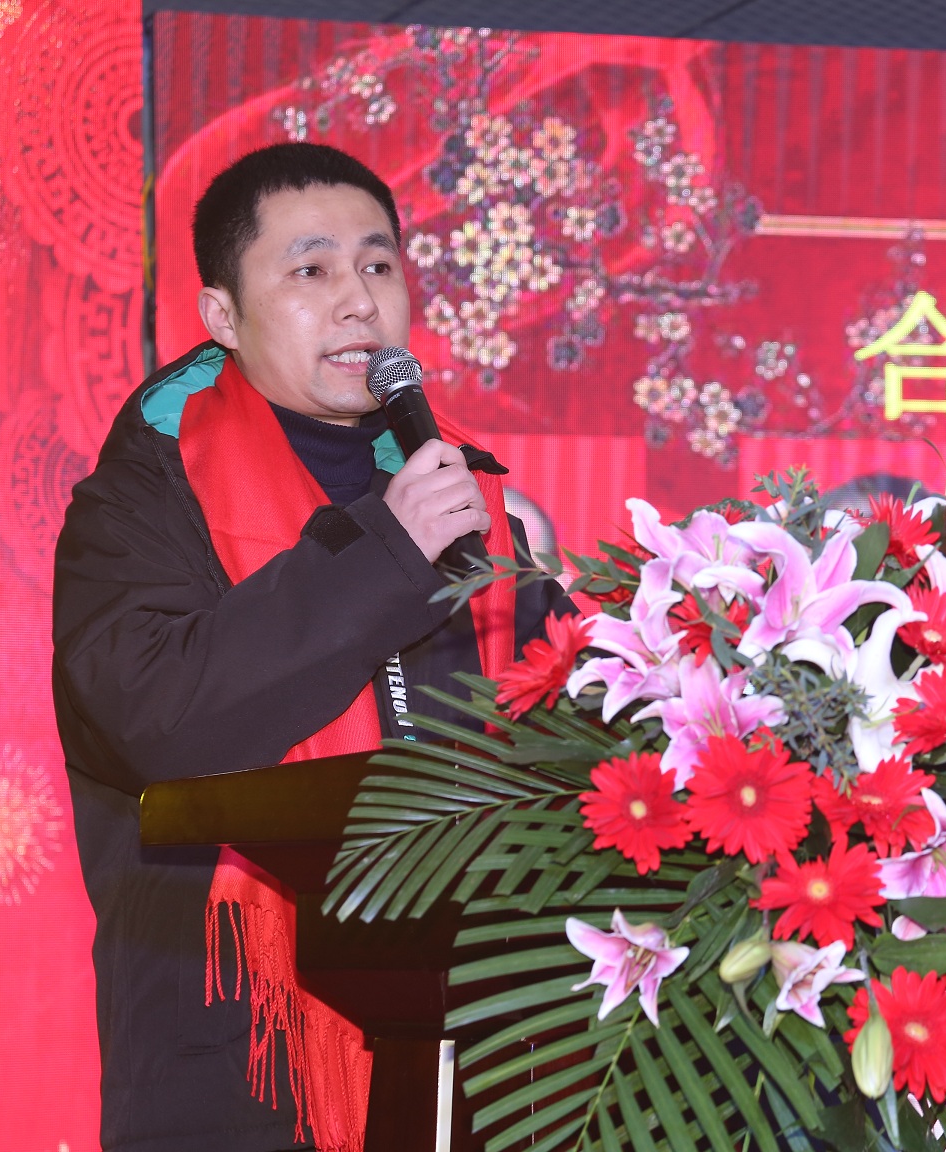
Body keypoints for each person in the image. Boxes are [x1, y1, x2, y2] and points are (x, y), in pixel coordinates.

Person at [52, 143, 571, 1152]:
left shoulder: (465, 500)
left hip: (474, 1048)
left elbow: (554, 739)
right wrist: (385, 558)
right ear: (221, 315)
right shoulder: (141, 501)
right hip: (235, 1053)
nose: (357, 300)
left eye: (378, 265)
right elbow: (156, 718)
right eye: (311, 269)